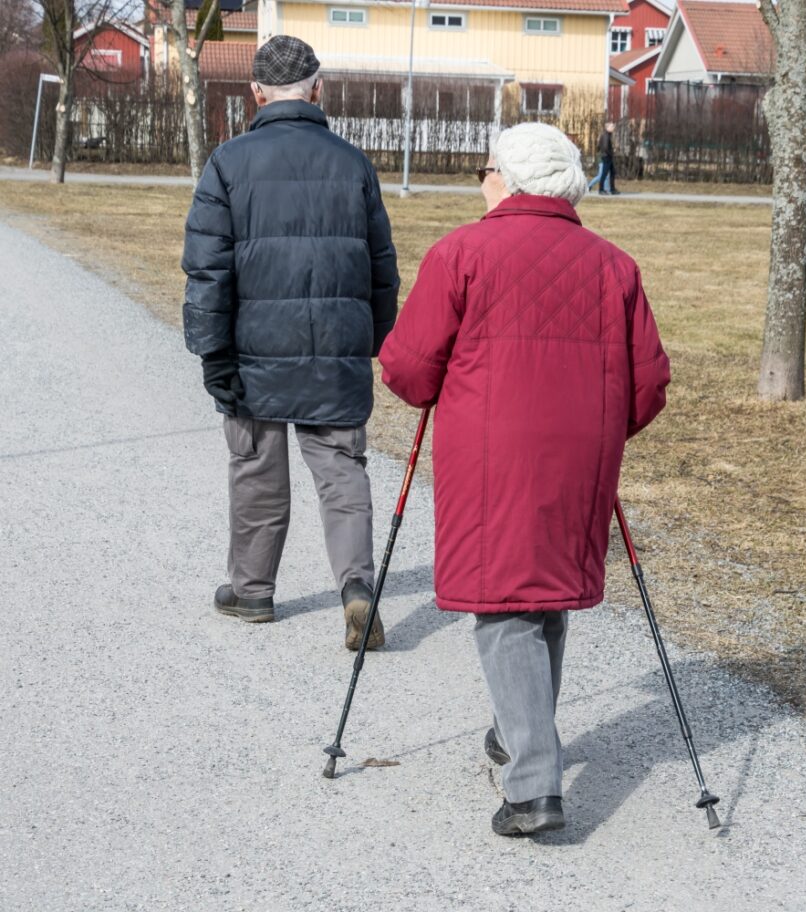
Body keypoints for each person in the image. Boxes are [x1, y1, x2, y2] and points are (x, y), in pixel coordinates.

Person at [379, 123, 670, 836]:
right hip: (582, 451)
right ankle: (517, 733)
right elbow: (650, 384)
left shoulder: (462, 253)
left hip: (490, 451)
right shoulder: (614, 265)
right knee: (544, 595)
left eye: (486, 169)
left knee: (506, 602)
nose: (481, 181)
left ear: (506, 178)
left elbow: (409, 370)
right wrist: (598, 430)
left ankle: (534, 784)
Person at [181, 36, 399, 650]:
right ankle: (357, 588)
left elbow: (208, 272)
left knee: (256, 467)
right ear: (318, 89)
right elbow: (382, 267)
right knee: (342, 472)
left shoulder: (227, 162)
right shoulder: (354, 164)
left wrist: (212, 353)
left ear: (255, 92)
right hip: (336, 350)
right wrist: (373, 340)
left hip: (253, 354)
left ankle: (252, 591)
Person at [588, 121, 620, 195]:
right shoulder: (605, 135)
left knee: (612, 173)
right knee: (604, 174)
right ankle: (601, 189)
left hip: (607, 156)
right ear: (607, 128)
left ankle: (612, 189)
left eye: (613, 126)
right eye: (612, 127)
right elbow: (605, 147)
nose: (613, 128)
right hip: (606, 157)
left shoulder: (608, 135)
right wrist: (610, 153)